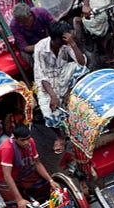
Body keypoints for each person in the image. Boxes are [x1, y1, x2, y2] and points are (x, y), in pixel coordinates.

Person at [33, 21, 87, 154]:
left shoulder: (66, 44)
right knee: (48, 113)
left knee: (82, 68)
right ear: (56, 38)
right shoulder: (40, 47)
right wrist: (53, 96)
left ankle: (71, 94)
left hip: (62, 73)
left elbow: (82, 62)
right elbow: (41, 76)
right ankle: (59, 136)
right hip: (47, 83)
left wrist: (73, 44)